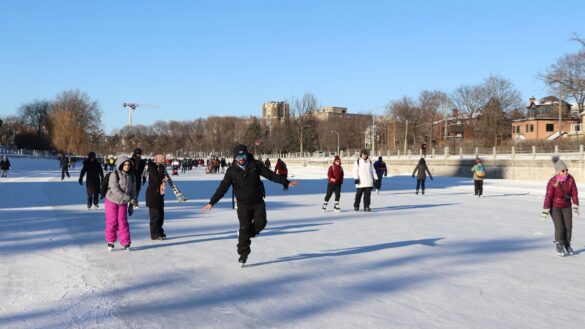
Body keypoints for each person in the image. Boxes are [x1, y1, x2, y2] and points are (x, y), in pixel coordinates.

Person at [201, 144, 299, 267]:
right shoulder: (231, 171)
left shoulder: (255, 165)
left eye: (243, 156)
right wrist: (212, 202)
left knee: (261, 223)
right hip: (242, 204)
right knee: (244, 227)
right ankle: (243, 253)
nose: (241, 159)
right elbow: (223, 187)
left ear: (247, 155)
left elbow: (271, 175)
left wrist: (286, 183)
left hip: (258, 201)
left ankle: (246, 234)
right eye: (238, 157)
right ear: (235, 158)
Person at [541, 157, 579, 256]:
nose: (566, 172)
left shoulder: (570, 179)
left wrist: (575, 206)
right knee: (560, 227)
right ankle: (559, 244)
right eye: (563, 170)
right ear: (558, 172)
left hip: (566, 206)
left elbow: (574, 193)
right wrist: (545, 210)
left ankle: (567, 243)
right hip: (555, 207)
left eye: (567, 170)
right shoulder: (552, 182)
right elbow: (548, 196)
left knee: (568, 226)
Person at [104, 156, 137, 251]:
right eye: (125, 165)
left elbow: (133, 191)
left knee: (122, 221)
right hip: (111, 200)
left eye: (128, 165)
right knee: (112, 221)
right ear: (120, 165)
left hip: (123, 202)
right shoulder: (114, 175)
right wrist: (129, 199)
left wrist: (132, 204)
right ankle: (110, 241)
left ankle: (125, 241)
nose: (127, 166)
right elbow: (115, 190)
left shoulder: (132, 176)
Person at [146, 154, 168, 240]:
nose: (164, 161)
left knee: (161, 215)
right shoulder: (152, 166)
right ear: (157, 159)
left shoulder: (161, 167)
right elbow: (156, 179)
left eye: (164, 159)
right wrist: (162, 169)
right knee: (155, 215)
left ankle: (160, 231)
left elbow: (162, 179)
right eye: (162, 159)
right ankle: (154, 234)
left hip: (160, 194)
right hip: (153, 195)